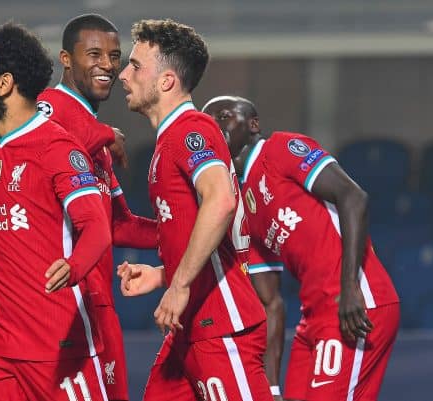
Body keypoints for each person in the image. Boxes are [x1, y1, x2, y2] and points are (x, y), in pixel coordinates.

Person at [202, 96, 400, 401]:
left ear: (253, 124)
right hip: (313, 317)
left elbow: (354, 197)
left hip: (354, 302)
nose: (215, 125)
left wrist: (349, 288)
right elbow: (270, 304)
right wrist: (270, 387)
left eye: (225, 116)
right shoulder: (242, 206)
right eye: (208, 123)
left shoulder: (281, 148)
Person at [0, 23, 112, 401]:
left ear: (5, 83)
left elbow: (98, 230)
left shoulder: (58, 148)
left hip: (54, 344)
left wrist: (74, 267)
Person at [117, 19, 272, 401]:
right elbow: (196, 228)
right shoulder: (170, 140)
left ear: (167, 80)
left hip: (219, 323)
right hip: (191, 328)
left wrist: (179, 284)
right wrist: (162, 274)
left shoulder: (192, 130)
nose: (123, 74)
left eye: (136, 66)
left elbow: (220, 201)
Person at [36, 14, 158, 401]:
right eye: (94, 53)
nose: (107, 63)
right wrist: (108, 134)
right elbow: (49, 127)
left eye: (114, 55)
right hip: (62, 302)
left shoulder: (95, 142)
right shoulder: (49, 108)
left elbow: (119, 225)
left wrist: (185, 231)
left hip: (98, 302)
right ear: (66, 59)